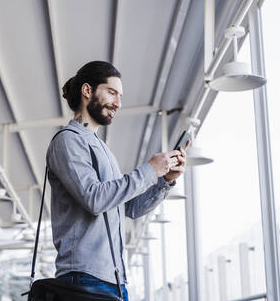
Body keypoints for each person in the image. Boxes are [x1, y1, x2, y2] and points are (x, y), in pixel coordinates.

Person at [46, 61, 188, 300]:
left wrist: (164, 181)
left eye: (120, 96)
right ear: (87, 91)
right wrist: (150, 170)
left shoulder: (103, 150)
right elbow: (94, 199)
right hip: (84, 278)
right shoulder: (68, 141)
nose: (118, 104)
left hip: (114, 279)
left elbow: (129, 208)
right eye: (111, 92)